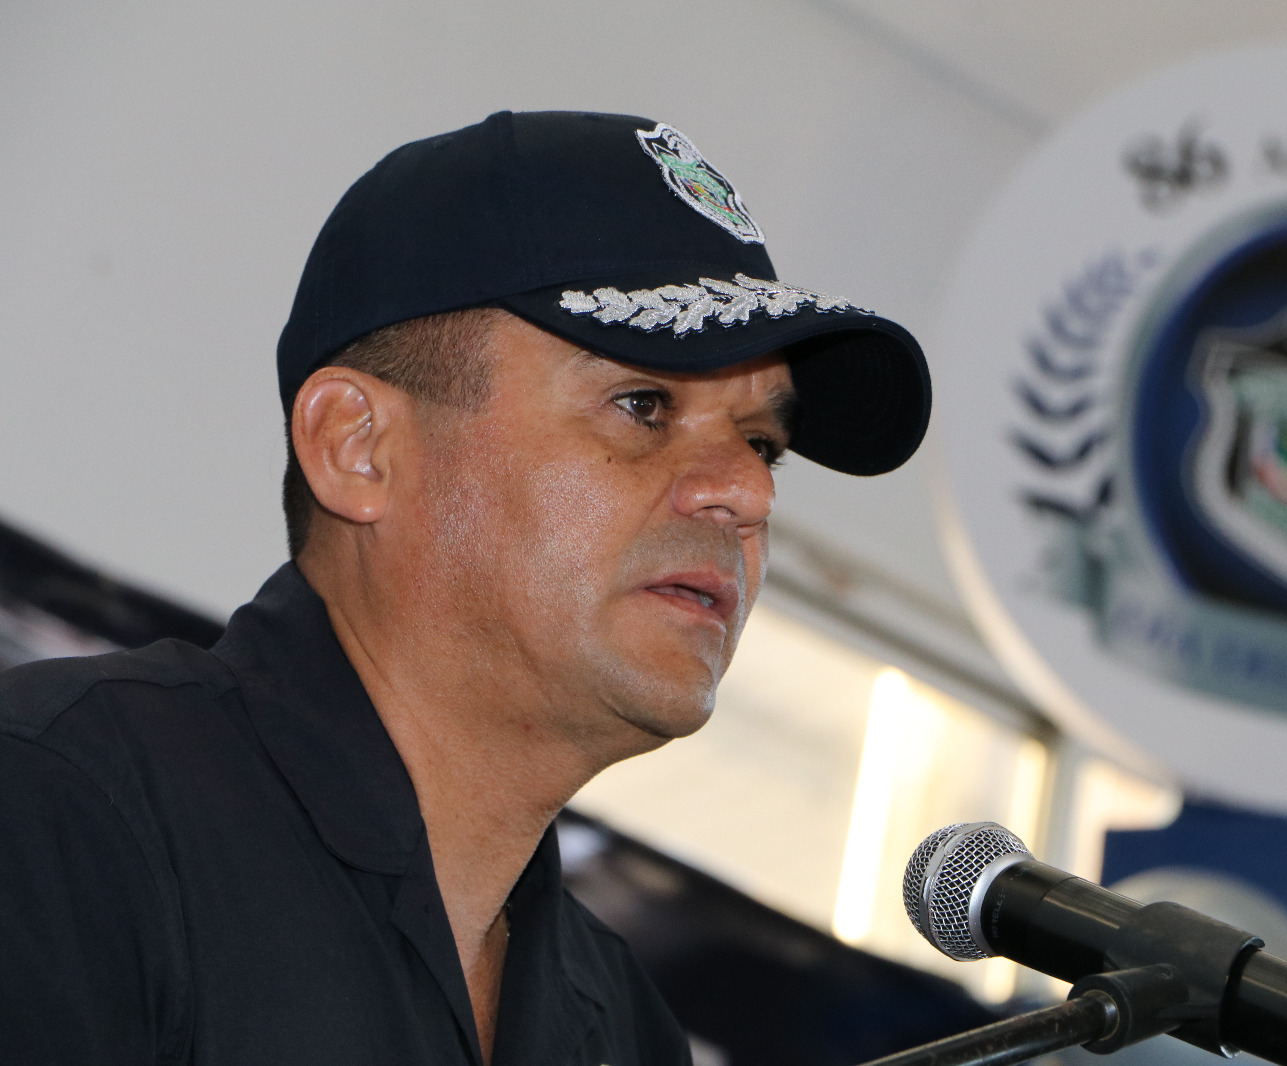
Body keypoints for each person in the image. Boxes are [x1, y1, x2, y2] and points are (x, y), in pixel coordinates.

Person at [0, 111, 930, 1064]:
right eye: (643, 405)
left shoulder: (621, 1029)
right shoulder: (60, 811)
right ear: (357, 447)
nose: (747, 493)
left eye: (763, 445)